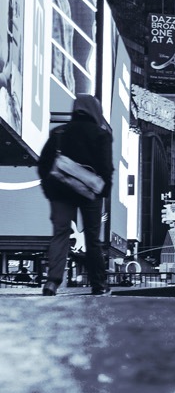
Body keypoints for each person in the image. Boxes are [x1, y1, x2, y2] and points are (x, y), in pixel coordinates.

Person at [37, 93, 112, 296]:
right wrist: (102, 191)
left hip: (60, 192)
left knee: (60, 234)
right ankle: (98, 283)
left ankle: (52, 282)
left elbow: (44, 163)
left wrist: (49, 189)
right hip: (90, 193)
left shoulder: (59, 132)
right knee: (92, 238)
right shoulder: (101, 134)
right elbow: (106, 168)